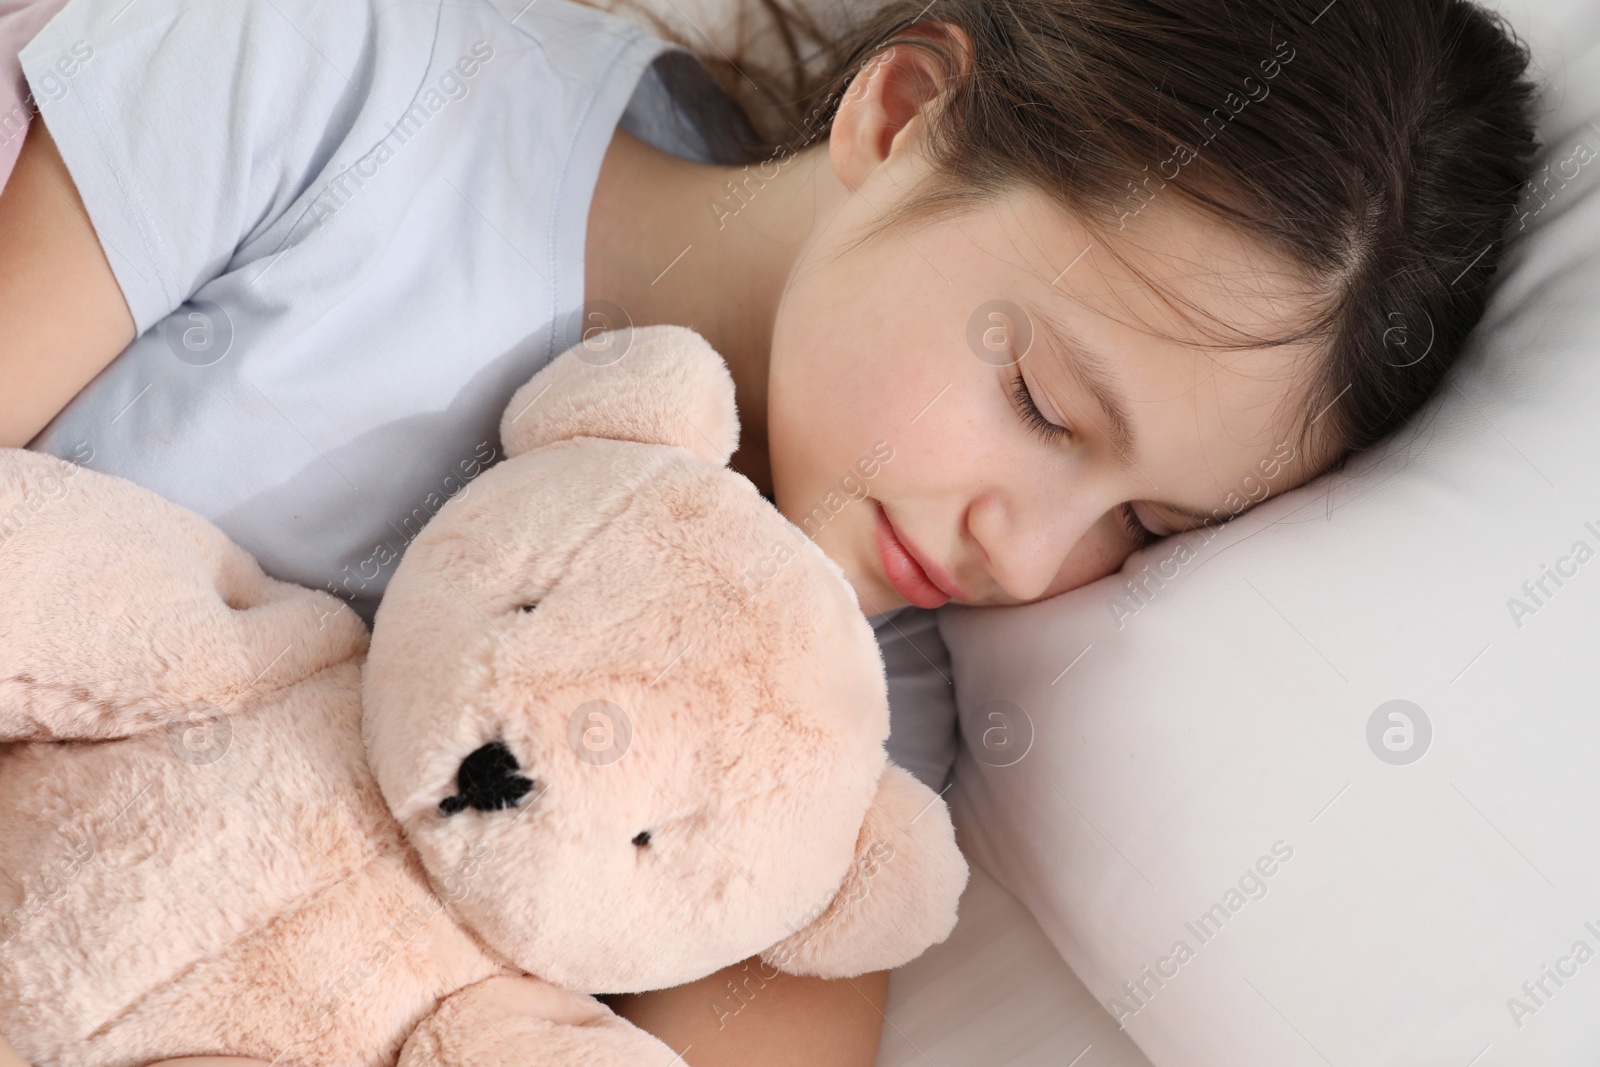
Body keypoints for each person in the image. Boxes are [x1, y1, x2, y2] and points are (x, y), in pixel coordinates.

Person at [0, 0, 1537, 1063]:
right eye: (1045, 405)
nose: (1027, 554)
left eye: (1144, 525)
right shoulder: (341, 89)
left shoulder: (852, 702)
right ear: (903, 111)